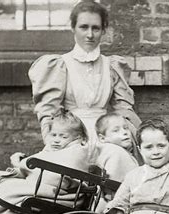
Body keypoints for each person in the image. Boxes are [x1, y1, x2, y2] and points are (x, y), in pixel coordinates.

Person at [29, 0, 141, 144]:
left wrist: (141, 138)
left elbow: (124, 111)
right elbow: (49, 113)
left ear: (103, 30)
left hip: (106, 139)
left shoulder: (112, 66)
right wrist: (52, 146)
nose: (90, 35)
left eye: (96, 28)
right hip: (71, 139)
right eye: (83, 27)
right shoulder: (60, 66)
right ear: (73, 28)